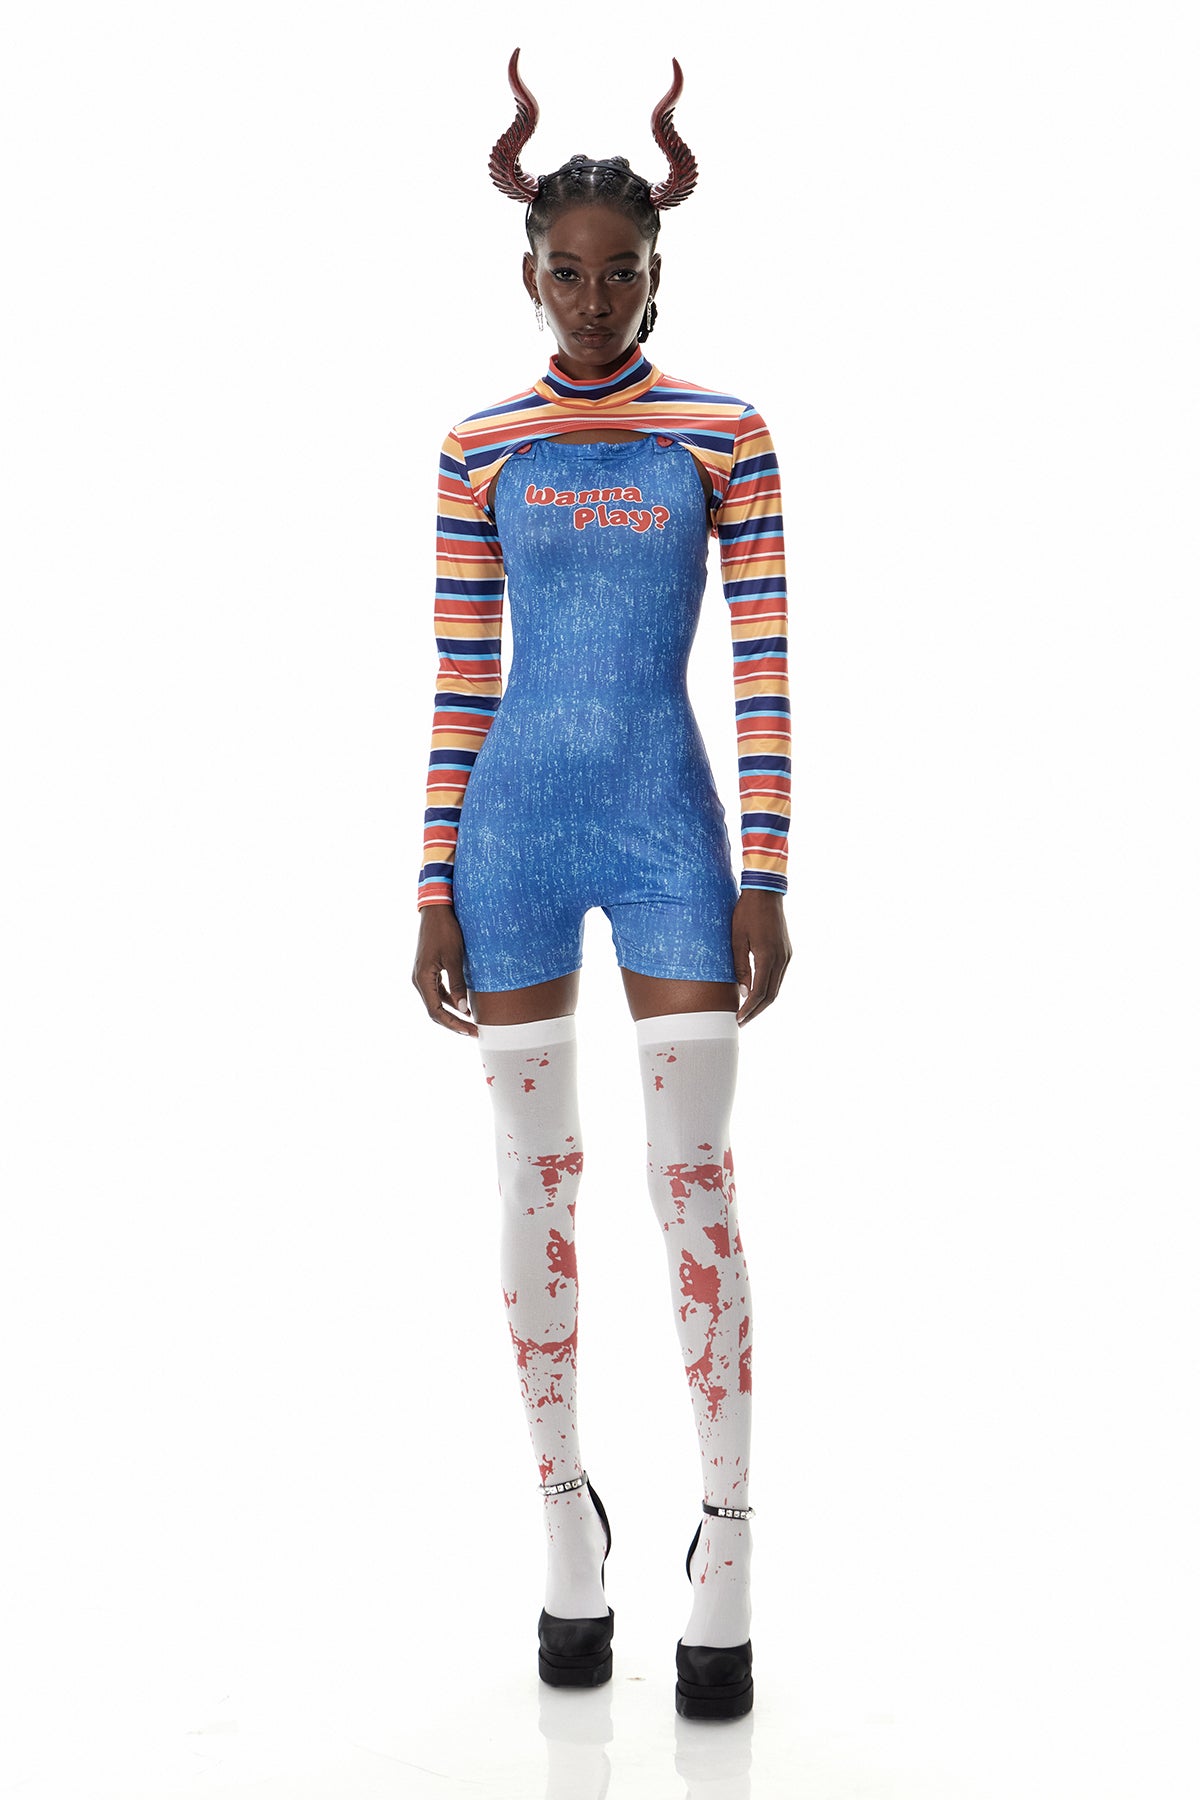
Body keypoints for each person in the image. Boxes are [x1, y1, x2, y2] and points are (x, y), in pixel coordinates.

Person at [411, 49, 792, 1720]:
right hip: (509, 836)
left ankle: (729, 1538)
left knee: (693, 1178)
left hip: (669, 831)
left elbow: (764, 660)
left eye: (619, 272)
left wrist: (767, 869)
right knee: (534, 1179)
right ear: (528, 272)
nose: (590, 300)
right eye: (565, 272)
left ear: (656, 273)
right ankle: (566, 1520)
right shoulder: (477, 447)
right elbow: (460, 670)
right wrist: (431, 877)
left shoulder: (722, 434)